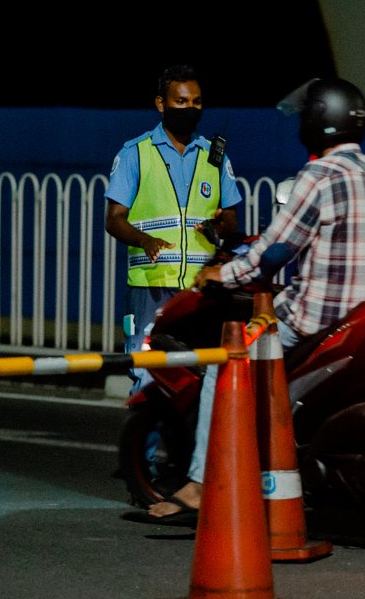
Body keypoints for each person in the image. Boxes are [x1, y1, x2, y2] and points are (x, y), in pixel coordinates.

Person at [145, 77, 365, 522]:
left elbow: (272, 254)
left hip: (315, 316)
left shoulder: (317, 177)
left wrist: (221, 272)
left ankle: (201, 482)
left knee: (226, 359)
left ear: (318, 122)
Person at [105, 64, 242, 519]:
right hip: (151, 286)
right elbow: (114, 217)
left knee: (200, 383)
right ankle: (142, 478)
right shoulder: (136, 154)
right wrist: (144, 240)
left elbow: (232, 220)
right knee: (149, 378)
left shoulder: (215, 154)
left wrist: (219, 223)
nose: (190, 109)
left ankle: (182, 469)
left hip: (199, 293)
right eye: (180, 102)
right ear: (161, 104)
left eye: (197, 102)